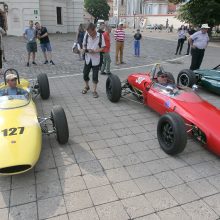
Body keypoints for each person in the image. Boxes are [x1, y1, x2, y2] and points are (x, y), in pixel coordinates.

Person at [82, 23, 105, 98]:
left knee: (95, 76)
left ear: (94, 30)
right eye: (88, 32)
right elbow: (84, 44)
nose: (89, 34)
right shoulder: (86, 34)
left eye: (90, 32)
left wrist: (95, 51)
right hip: (88, 58)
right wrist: (85, 49)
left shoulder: (100, 36)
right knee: (85, 74)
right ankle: (87, 86)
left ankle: (94, 91)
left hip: (96, 59)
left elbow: (102, 48)